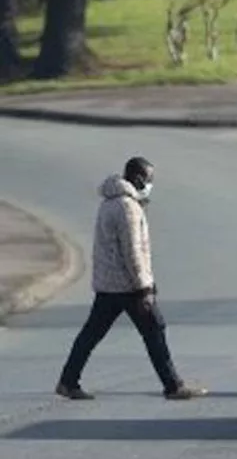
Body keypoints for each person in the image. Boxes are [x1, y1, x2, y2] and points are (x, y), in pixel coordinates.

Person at [56, 157, 207, 400]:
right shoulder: (127, 208)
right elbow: (133, 251)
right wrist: (144, 287)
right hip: (128, 286)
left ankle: (68, 381)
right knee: (154, 330)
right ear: (137, 179)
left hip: (109, 284)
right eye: (149, 180)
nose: (150, 185)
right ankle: (173, 386)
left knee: (91, 334)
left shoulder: (110, 202)